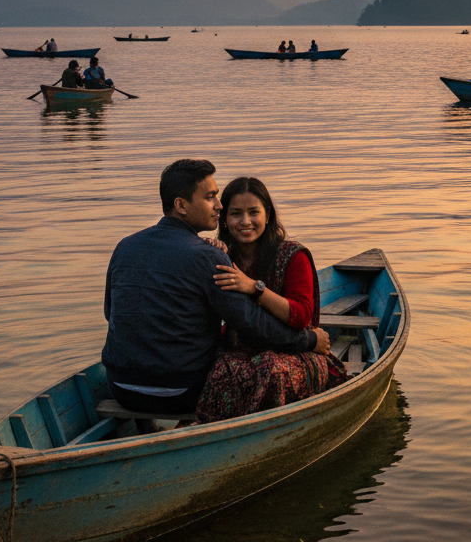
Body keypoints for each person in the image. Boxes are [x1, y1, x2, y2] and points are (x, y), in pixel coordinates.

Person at [101, 160, 328, 416]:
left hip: (120, 388)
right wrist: (309, 339)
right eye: (210, 197)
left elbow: (111, 314)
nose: (219, 205)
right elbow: (253, 325)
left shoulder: (125, 246)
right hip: (181, 392)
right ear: (181, 205)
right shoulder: (207, 256)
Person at [193, 176, 345, 423]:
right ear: (224, 218)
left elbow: (301, 316)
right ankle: (203, 430)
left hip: (297, 350)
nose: (245, 222)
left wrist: (254, 288)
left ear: (267, 215)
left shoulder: (292, 256)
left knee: (269, 370)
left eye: (254, 212)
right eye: (235, 214)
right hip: (241, 351)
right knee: (219, 369)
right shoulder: (221, 256)